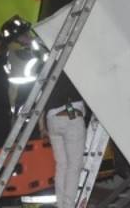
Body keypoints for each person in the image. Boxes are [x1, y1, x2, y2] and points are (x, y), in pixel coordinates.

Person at [40, 74, 88, 208]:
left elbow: (41, 100)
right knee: (74, 166)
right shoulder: (71, 69)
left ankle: (61, 204)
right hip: (70, 116)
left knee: (62, 165)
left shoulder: (50, 71)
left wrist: (42, 126)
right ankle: (68, 205)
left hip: (52, 120)